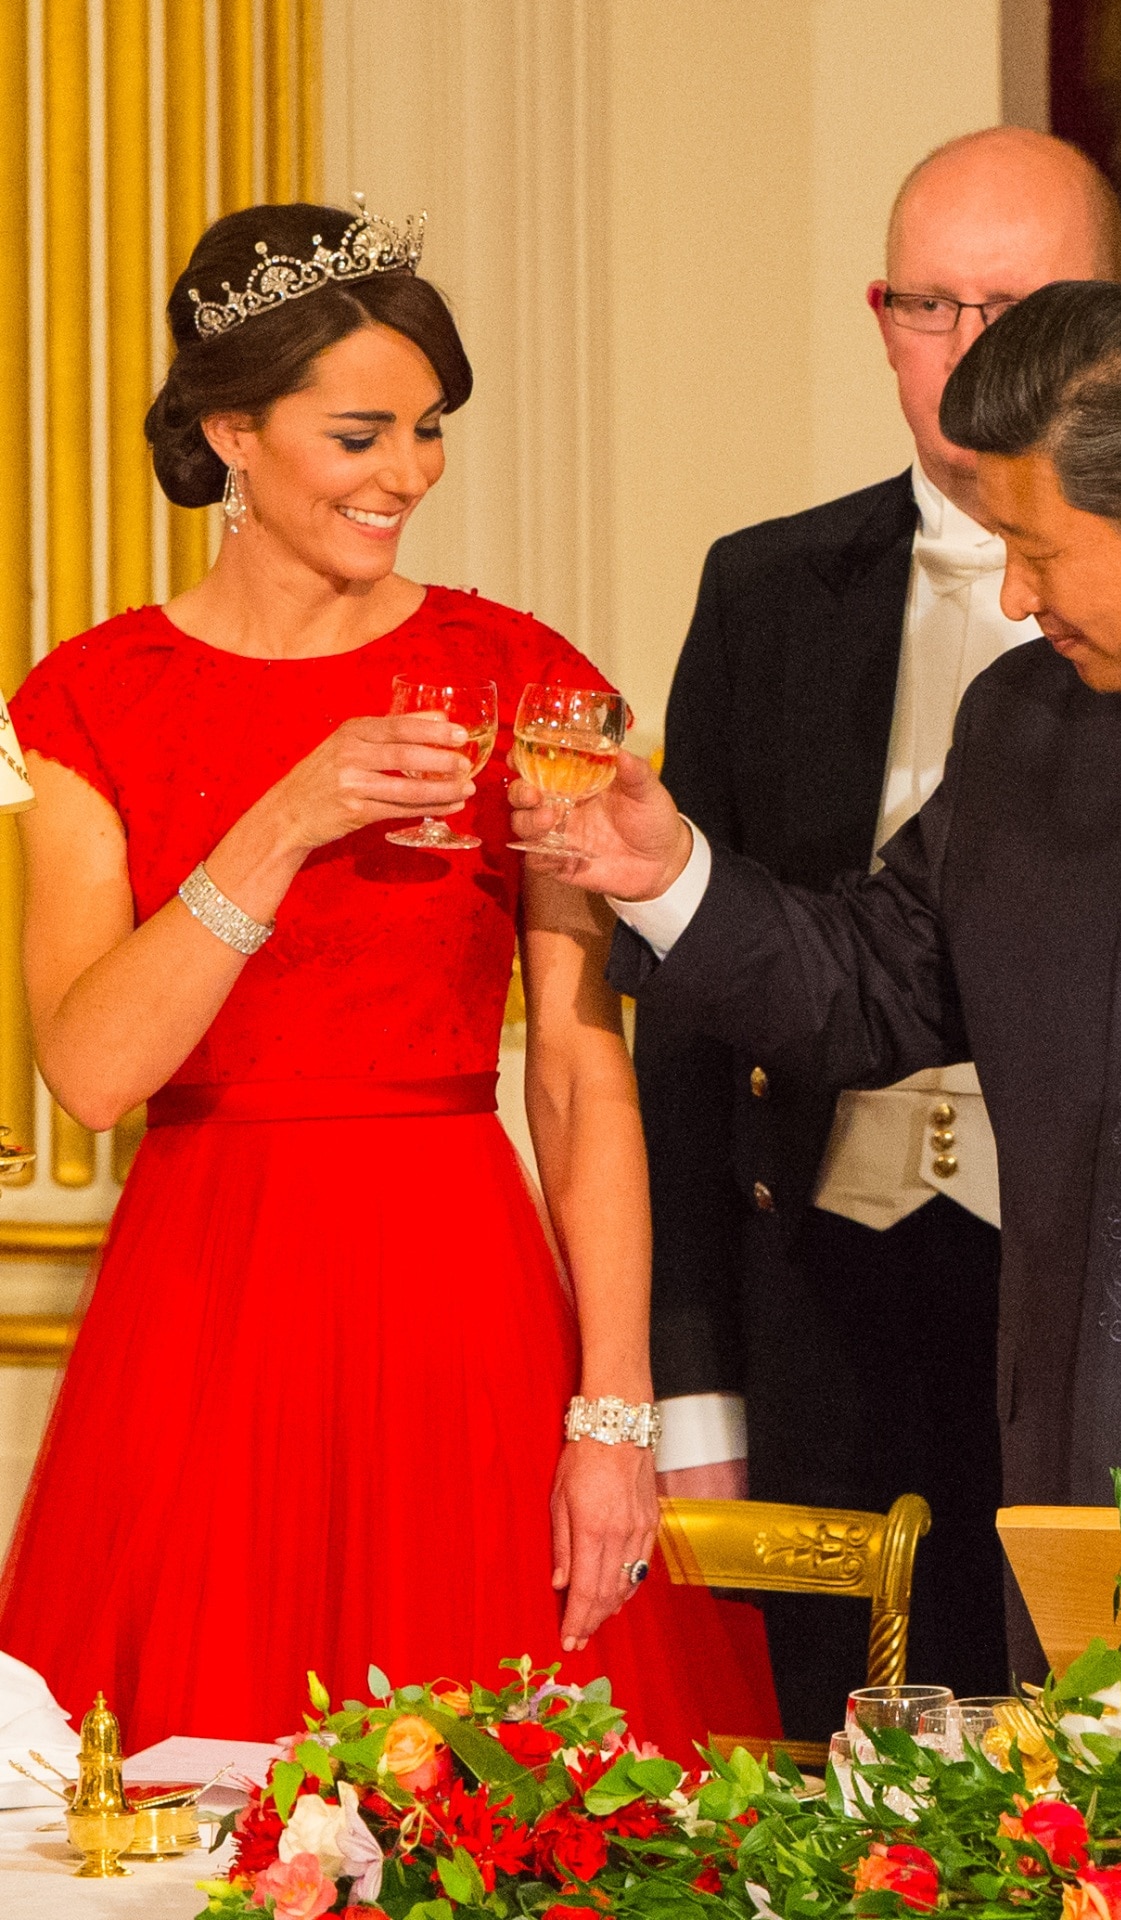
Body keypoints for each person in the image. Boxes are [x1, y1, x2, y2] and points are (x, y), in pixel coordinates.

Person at [0, 200, 778, 1756]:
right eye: (360, 434)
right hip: (203, 1308)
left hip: (459, 1302)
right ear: (231, 429)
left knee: (508, 1789)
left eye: (427, 431)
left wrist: (612, 1412)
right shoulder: (89, 701)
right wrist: (287, 817)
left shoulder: (519, 678)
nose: (407, 475)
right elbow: (90, 1072)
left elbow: (575, 1064)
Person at [508, 278, 1121, 1586]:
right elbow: (874, 982)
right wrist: (665, 870)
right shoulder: (1021, 723)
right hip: (1074, 1485)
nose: (1019, 598)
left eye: (1037, 550)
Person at [641, 128, 1121, 1730]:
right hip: (823, 1292)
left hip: (1090, 1304)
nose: (973, 350)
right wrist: (687, 1367)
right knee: (826, 1781)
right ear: (879, 316)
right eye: (934, 306)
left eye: (1021, 302)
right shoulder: (766, 588)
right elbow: (697, 1015)